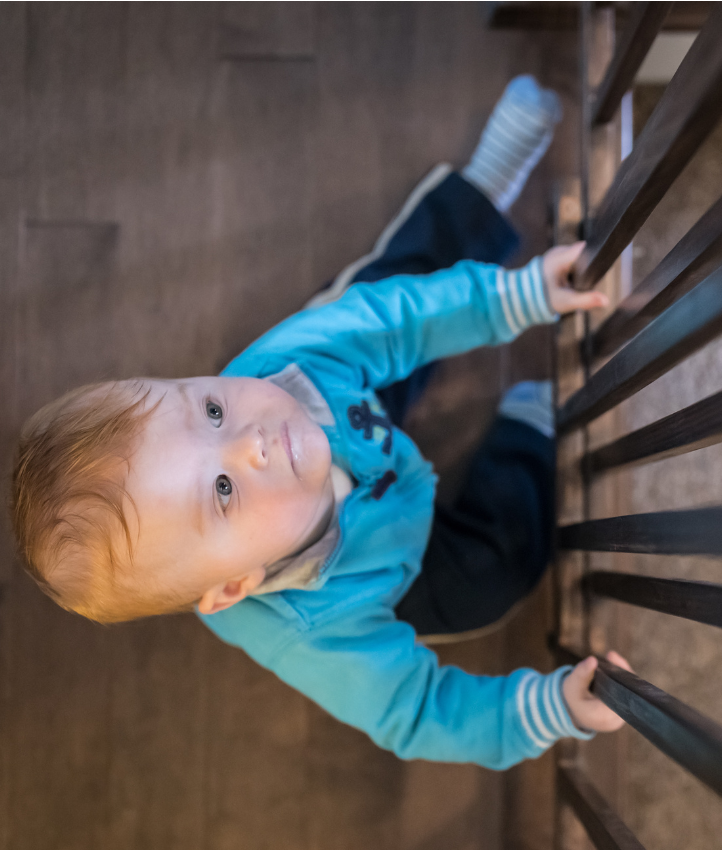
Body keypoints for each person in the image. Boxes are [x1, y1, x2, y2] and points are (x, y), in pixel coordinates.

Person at [8, 76, 626, 770]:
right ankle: (525, 431)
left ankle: (479, 194)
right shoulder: (316, 630)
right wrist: (547, 712)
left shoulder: (282, 373)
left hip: (352, 411)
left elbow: (401, 320)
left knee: (393, 290)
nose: (252, 441)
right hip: (395, 559)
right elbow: (417, 711)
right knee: (494, 578)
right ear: (235, 587)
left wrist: (515, 296)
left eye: (211, 410)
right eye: (221, 491)